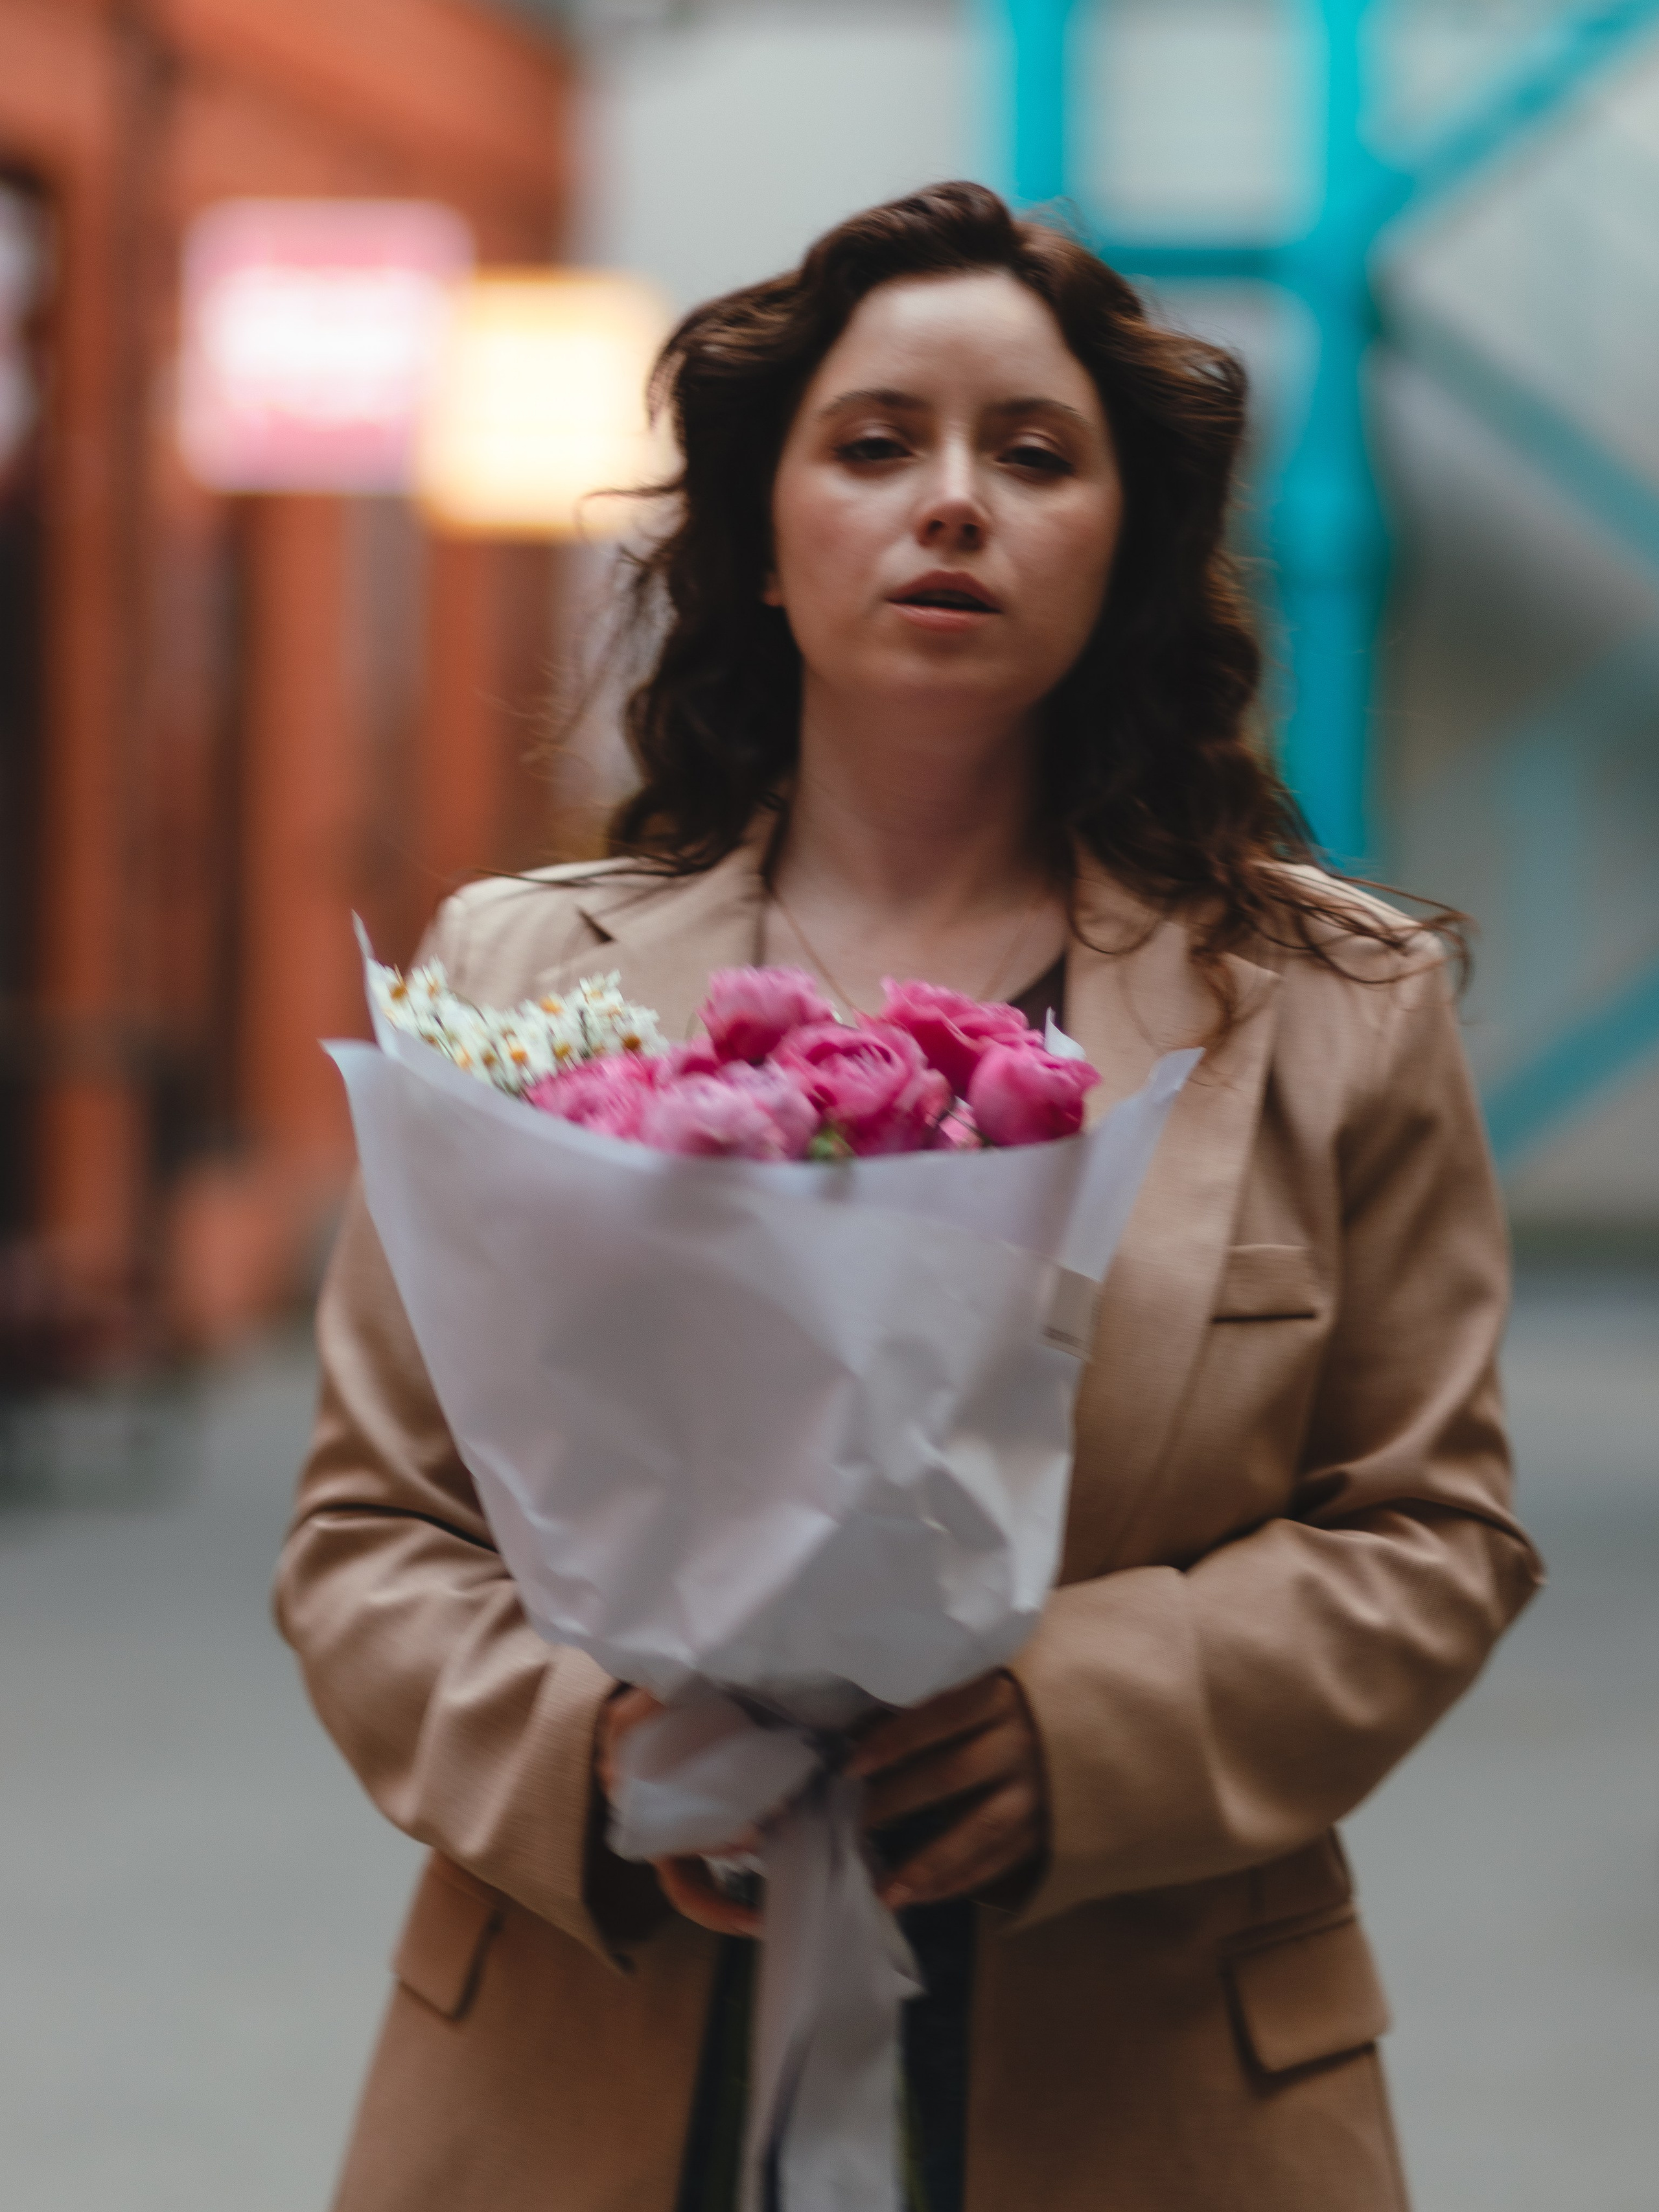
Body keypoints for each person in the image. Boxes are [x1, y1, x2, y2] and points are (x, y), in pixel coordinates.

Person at [277, 181, 1540, 2212]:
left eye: (1032, 456)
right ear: (764, 539)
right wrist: (591, 1750)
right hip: (598, 2042)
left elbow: (1431, 1531)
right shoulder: (519, 979)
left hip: (1147, 2058)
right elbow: (371, 1531)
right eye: (875, 445)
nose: (951, 501)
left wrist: (1089, 1721)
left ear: (1121, 549)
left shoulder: (1331, 1006)